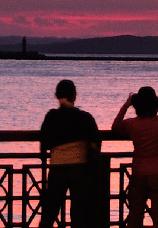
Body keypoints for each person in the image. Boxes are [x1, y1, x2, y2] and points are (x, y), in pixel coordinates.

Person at [112, 86, 158, 228]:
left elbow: (115, 126)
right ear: (156, 105)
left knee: (135, 215)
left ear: (137, 105)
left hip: (138, 173)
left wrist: (126, 105)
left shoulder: (132, 124)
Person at [39, 80, 101, 228]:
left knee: (50, 212)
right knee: (79, 214)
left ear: (56, 96)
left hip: (57, 168)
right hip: (80, 169)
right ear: (74, 96)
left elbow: (45, 143)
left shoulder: (51, 117)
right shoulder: (85, 118)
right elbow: (95, 144)